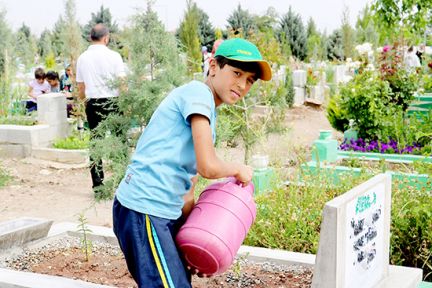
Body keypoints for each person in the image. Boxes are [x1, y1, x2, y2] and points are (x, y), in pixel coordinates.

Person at [112, 38, 272, 288]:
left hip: (161, 212)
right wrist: (239, 169)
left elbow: (189, 185)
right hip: (145, 208)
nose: (242, 84)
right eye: (237, 73)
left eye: (250, 80)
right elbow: (208, 166)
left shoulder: (206, 107)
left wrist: (192, 242)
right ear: (214, 66)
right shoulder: (198, 94)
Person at [76, 23, 126, 192]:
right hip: (114, 102)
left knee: (96, 143)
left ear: (91, 38)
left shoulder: (82, 58)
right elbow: (122, 83)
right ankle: (123, 181)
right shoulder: (114, 56)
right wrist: (125, 103)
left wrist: (84, 103)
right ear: (106, 38)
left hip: (93, 102)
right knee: (120, 141)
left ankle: (98, 185)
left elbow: (81, 87)